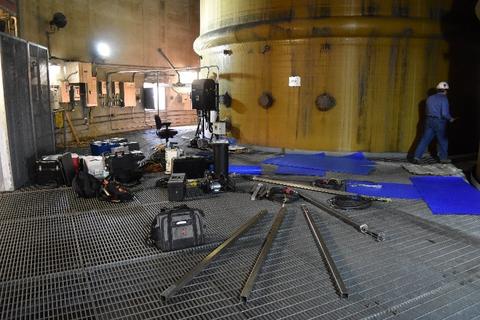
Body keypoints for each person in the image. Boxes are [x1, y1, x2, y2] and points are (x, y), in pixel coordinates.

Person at [411, 81, 456, 164]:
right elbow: (444, 113)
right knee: (443, 141)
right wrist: (450, 119)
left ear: (438, 89)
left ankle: (416, 157)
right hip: (439, 122)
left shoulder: (430, 98)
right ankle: (443, 159)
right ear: (446, 90)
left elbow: (427, 110)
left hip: (428, 121)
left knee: (424, 140)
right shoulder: (444, 99)